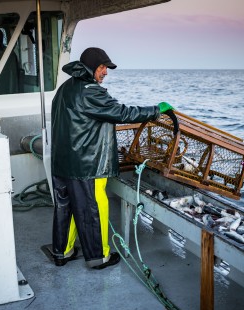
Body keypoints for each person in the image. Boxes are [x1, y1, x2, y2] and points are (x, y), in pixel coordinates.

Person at [51, 47, 174, 269]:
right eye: (101, 67)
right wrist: (156, 110)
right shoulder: (91, 91)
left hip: (62, 161)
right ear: (90, 67)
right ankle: (99, 257)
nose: (105, 72)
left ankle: (62, 252)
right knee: (93, 207)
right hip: (87, 164)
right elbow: (122, 113)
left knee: (66, 207)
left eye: (106, 67)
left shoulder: (65, 88)